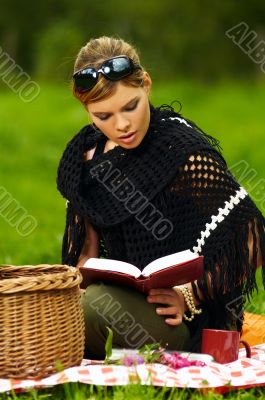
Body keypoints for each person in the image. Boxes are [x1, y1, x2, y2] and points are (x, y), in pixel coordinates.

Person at [57, 36, 265, 360]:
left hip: (183, 322)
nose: (122, 125)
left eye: (131, 106)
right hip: (115, 298)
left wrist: (189, 294)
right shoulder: (84, 159)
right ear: (86, 108)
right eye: (103, 116)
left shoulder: (179, 149)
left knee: (94, 308)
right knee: (46, 309)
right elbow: (85, 256)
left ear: (147, 86)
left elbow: (251, 236)